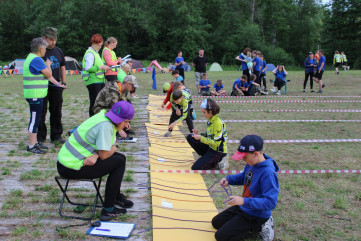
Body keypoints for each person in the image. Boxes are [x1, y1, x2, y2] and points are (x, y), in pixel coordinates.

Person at [57, 101, 134, 221]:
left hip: (69, 161)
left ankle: (115, 196)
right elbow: (105, 154)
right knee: (119, 162)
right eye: (126, 122)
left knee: (120, 158)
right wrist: (111, 149)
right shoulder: (106, 126)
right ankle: (108, 209)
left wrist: (96, 155)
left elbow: (103, 151)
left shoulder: (104, 115)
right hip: (71, 167)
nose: (126, 125)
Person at [212, 134, 279, 241]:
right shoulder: (251, 163)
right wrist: (229, 179)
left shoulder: (268, 173)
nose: (243, 160)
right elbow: (245, 177)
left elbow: (271, 202)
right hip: (244, 207)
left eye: (245, 157)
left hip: (256, 215)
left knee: (220, 237)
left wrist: (244, 201)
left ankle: (261, 226)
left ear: (256, 154)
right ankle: (239, 223)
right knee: (216, 222)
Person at [23, 38, 66, 154]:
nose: (46, 51)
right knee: (35, 120)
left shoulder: (32, 58)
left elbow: (47, 77)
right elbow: (48, 73)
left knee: (36, 119)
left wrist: (58, 84)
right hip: (35, 95)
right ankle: (32, 145)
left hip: (36, 94)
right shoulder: (37, 60)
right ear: (41, 49)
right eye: (45, 49)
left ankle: (35, 143)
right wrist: (48, 65)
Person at [37, 27, 67, 145]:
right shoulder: (39, 52)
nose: (53, 42)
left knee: (56, 111)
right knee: (41, 112)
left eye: (55, 39)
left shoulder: (58, 51)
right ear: (44, 38)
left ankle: (56, 135)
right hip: (42, 86)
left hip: (57, 86)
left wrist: (63, 82)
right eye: (50, 39)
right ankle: (40, 136)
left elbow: (63, 67)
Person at [186, 99, 228, 170]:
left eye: (204, 112)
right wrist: (198, 134)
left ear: (210, 112)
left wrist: (200, 138)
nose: (203, 114)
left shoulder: (217, 123)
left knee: (195, 168)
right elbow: (209, 135)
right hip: (211, 147)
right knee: (190, 137)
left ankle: (220, 160)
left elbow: (216, 144)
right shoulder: (210, 119)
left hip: (218, 151)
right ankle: (206, 158)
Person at [82, 34, 110, 117]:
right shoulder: (90, 54)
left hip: (99, 80)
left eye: (101, 45)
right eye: (98, 45)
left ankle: (97, 117)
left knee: (99, 101)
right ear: (93, 43)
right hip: (93, 81)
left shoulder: (95, 53)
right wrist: (101, 67)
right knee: (94, 102)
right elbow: (88, 68)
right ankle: (93, 118)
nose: (100, 47)